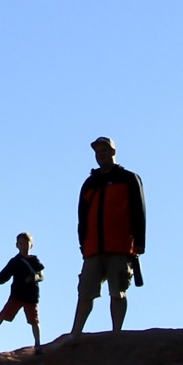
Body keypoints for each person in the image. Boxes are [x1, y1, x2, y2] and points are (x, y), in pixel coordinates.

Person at [72, 136, 146, 334]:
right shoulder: (90, 183)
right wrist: (83, 244)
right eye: (97, 151)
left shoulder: (128, 179)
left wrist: (139, 242)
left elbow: (139, 211)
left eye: (104, 150)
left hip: (120, 244)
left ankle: (116, 333)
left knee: (118, 291)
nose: (100, 154)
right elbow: (82, 217)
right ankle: (75, 333)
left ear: (113, 152)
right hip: (93, 247)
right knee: (85, 292)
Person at [0, 232, 44, 349]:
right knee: (3, 315)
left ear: (31, 245)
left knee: (34, 320)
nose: (24, 246)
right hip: (17, 295)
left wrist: (33, 278)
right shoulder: (15, 262)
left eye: (26, 243)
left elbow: (41, 275)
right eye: (21, 243)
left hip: (31, 296)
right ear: (17, 245)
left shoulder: (35, 260)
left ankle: (38, 344)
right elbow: (3, 277)